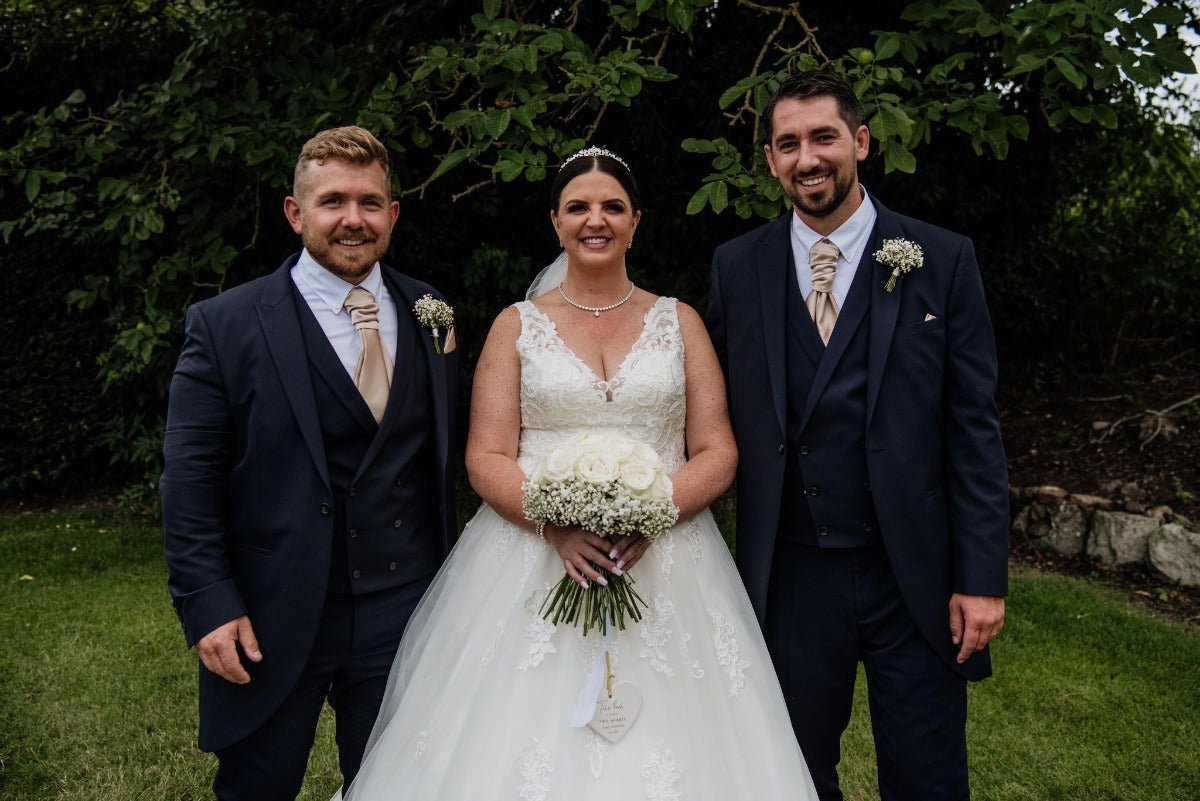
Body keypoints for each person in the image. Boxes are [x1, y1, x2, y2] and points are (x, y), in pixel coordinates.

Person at [339, 147, 819, 800]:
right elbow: (484, 456)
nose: (597, 220)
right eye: (579, 207)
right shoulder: (516, 326)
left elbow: (717, 449)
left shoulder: (681, 324)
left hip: (671, 558)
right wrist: (554, 525)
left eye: (612, 206)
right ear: (556, 222)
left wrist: (652, 513)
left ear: (636, 220)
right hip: (532, 558)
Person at [705, 70, 1009, 800]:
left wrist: (981, 578)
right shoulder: (737, 266)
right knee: (793, 774)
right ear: (772, 160)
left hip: (917, 575)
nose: (807, 158)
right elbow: (706, 419)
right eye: (787, 143)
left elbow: (974, 430)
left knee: (929, 775)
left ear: (861, 142)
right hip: (792, 573)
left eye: (823, 137)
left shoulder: (944, 257)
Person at [161, 125, 463, 800]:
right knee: (257, 786)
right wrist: (209, 604)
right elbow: (189, 479)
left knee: (399, 784)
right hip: (271, 611)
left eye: (369, 201)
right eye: (332, 201)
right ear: (296, 213)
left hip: (404, 606)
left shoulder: (432, 314)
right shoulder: (226, 325)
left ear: (392, 214)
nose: (352, 219)